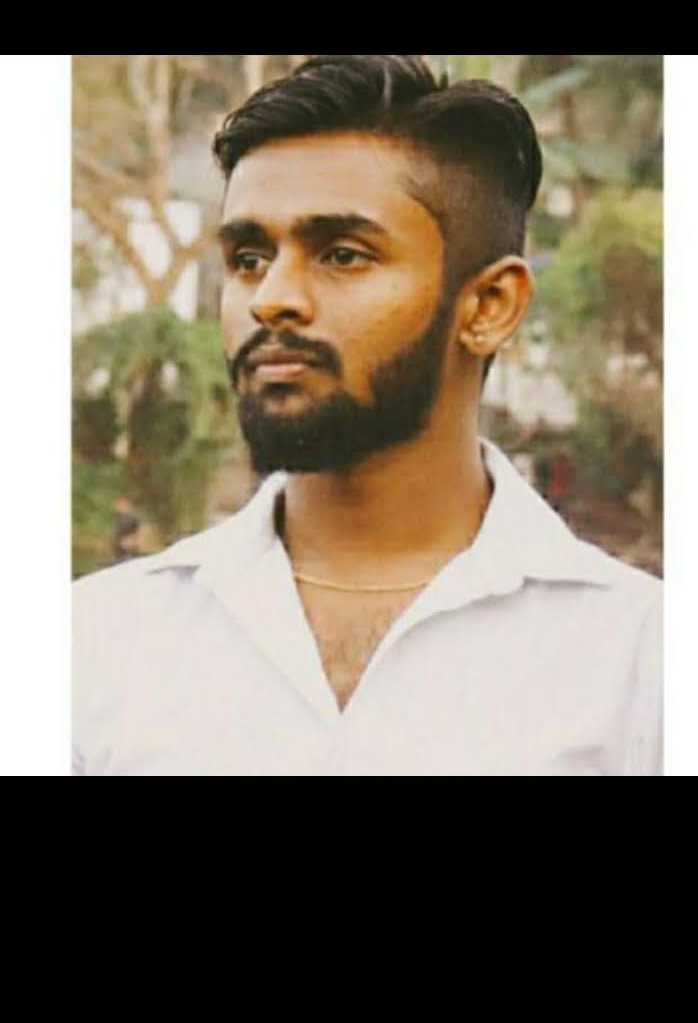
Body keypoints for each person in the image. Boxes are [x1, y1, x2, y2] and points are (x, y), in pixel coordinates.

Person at [73, 56, 662, 776]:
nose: (271, 298)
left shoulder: (646, 662)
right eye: (249, 258)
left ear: (489, 306)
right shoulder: (95, 641)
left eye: (343, 255)